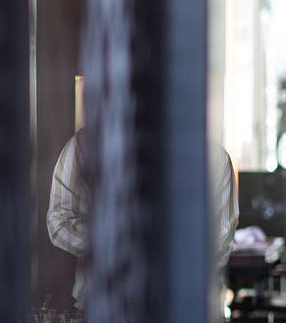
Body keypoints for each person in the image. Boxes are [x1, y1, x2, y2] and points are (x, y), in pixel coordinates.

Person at [48, 126, 239, 307]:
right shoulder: (87, 145)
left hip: (180, 311)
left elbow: (219, 242)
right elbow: (60, 220)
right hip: (102, 305)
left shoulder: (214, 158)